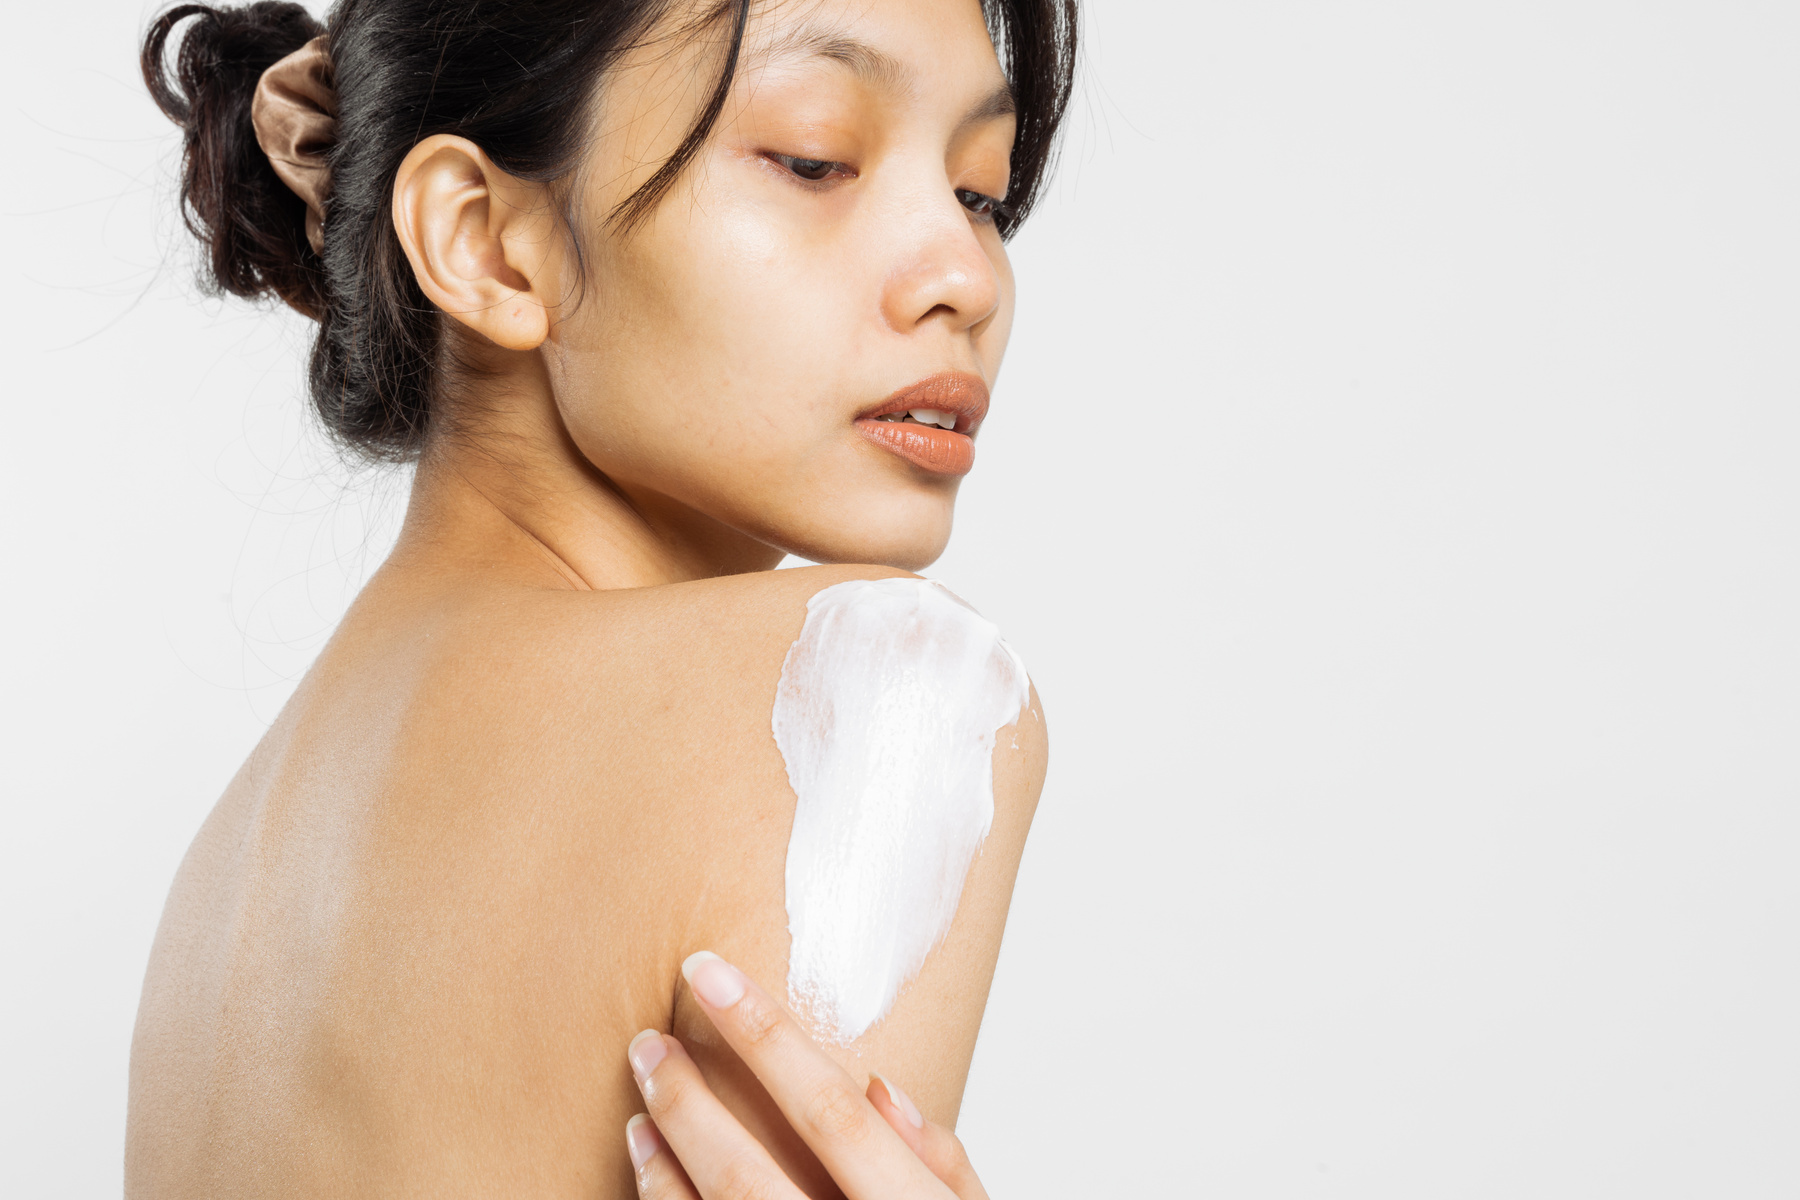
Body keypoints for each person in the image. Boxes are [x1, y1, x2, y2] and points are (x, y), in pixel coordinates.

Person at [126, 0, 1075, 1195]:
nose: (964, 277)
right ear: (484, 242)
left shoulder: (230, 887)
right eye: (816, 160)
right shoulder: (874, 685)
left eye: (979, 192)